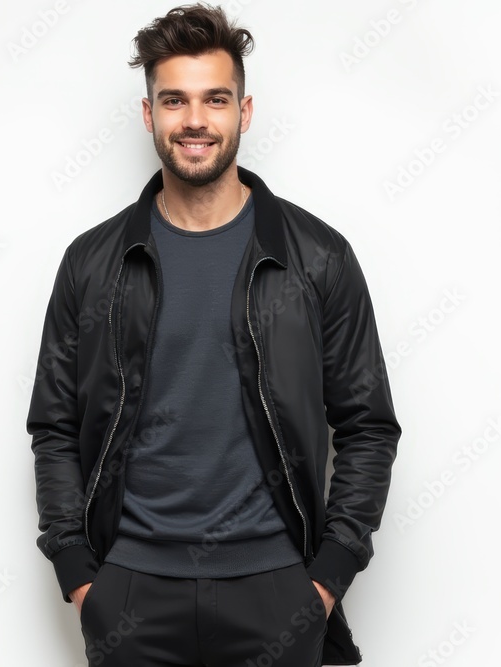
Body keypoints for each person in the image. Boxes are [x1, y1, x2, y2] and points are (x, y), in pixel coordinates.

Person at [26, 4, 402, 665]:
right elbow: (55, 425)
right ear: (149, 114)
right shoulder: (91, 263)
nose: (194, 119)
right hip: (131, 593)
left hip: (276, 590)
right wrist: (80, 575)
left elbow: (367, 424)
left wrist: (326, 577)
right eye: (174, 100)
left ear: (244, 112)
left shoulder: (318, 258)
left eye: (215, 99)